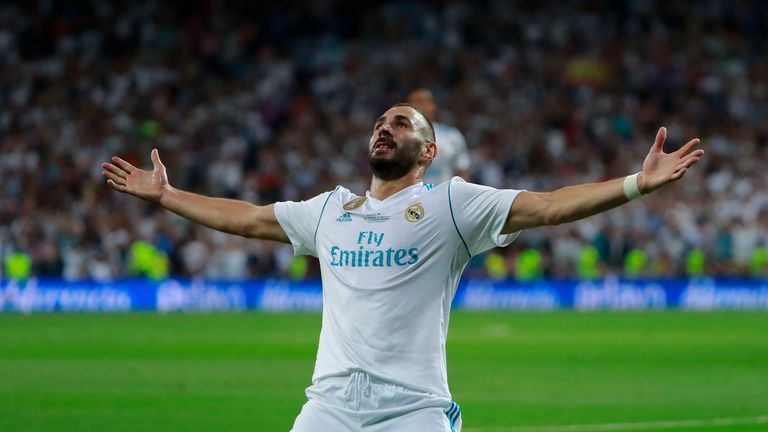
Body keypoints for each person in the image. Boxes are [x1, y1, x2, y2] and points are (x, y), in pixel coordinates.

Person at [102, 103, 704, 431]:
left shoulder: (453, 202)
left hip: (413, 409)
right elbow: (250, 218)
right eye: (379, 124)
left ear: (430, 150)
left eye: (400, 123)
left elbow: (546, 206)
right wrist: (166, 196)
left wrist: (634, 184)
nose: (384, 129)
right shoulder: (330, 210)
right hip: (330, 404)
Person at [407, 88, 471, 183]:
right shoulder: (399, 138)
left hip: (444, 195)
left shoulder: (451, 135)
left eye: (424, 101)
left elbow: (462, 170)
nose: (420, 106)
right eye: (415, 102)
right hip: (412, 196)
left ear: (433, 106)